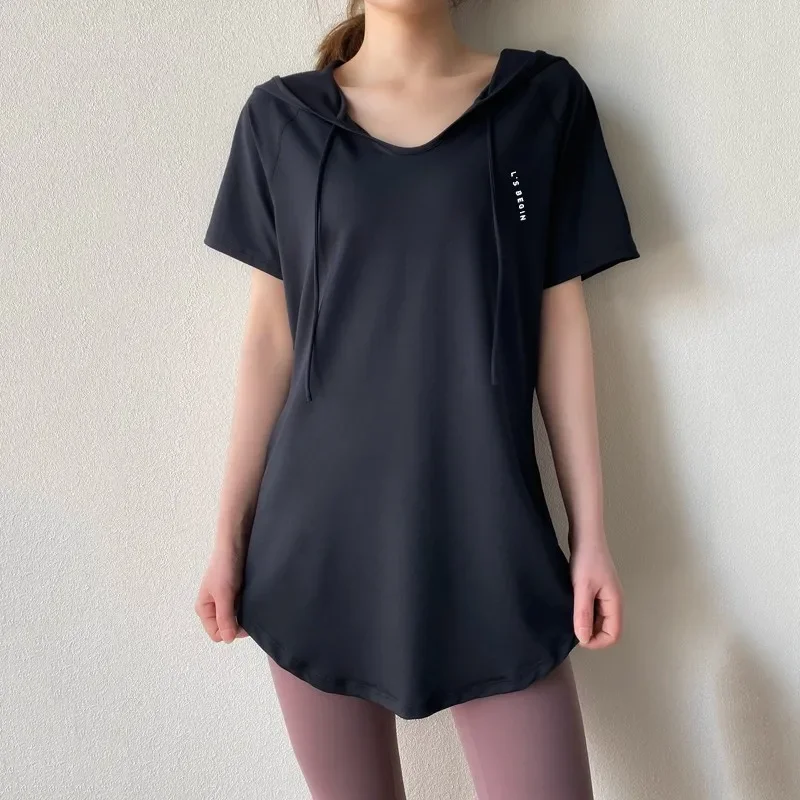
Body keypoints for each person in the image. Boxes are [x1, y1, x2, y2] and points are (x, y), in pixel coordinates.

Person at [195, 1, 640, 797]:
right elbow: (269, 340)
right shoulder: (280, 120)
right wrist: (228, 538)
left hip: (491, 538)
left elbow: (561, 326)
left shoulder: (541, 102)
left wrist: (590, 535)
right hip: (316, 552)